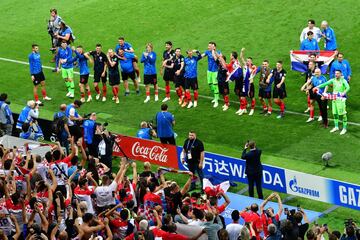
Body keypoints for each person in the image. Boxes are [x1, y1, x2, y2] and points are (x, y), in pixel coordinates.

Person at [314, 70, 350, 135]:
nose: (336, 74)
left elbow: (348, 87)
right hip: (334, 99)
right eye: (335, 73)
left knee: (343, 114)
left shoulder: (343, 80)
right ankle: (336, 127)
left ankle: (344, 128)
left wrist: (343, 93)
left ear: (341, 74)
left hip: (341, 100)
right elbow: (325, 84)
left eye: (338, 73)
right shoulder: (333, 80)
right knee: (335, 113)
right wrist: (317, 87)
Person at [239, 48, 258, 116]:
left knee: (252, 97)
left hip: (250, 84)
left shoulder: (253, 67)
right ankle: (244, 109)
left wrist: (252, 74)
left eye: (249, 61)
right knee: (242, 96)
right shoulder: (245, 66)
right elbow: (241, 57)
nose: (247, 62)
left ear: (251, 61)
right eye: (247, 61)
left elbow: (254, 72)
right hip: (244, 84)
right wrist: (242, 51)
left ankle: (252, 109)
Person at [202, 42, 221, 108]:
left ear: (213, 47)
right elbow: (201, 56)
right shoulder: (207, 52)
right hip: (209, 71)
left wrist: (213, 51)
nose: (208, 47)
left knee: (215, 85)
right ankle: (217, 95)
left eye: (210, 46)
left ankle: (216, 100)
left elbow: (217, 58)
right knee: (210, 84)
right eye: (208, 46)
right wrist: (196, 53)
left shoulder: (218, 52)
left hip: (215, 71)